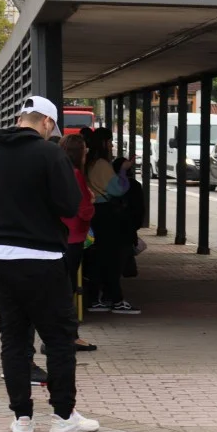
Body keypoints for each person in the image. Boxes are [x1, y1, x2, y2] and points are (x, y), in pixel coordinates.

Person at [0, 96, 100, 432]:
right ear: (48, 123)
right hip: (43, 259)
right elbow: (68, 203)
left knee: (13, 336)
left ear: (21, 117)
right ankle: (64, 416)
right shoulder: (50, 153)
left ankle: (22, 417)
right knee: (59, 338)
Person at [85, 128, 140, 314]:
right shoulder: (102, 164)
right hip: (106, 214)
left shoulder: (89, 162)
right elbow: (118, 189)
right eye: (109, 142)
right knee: (112, 258)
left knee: (99, 258)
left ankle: (99, 298)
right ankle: (115, 299)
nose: (112, 145)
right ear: (103, 143)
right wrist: (124, 171)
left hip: (95, 213)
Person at [55, 134, 97, 352]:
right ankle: (68, 336)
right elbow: (82, 209)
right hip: (73, 236)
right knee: (68, 287)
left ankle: (59, 335)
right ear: (79, 153)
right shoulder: (77, 175)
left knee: (60, 287)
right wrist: (92, 203)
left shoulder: (57, 173)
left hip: (58, 235)